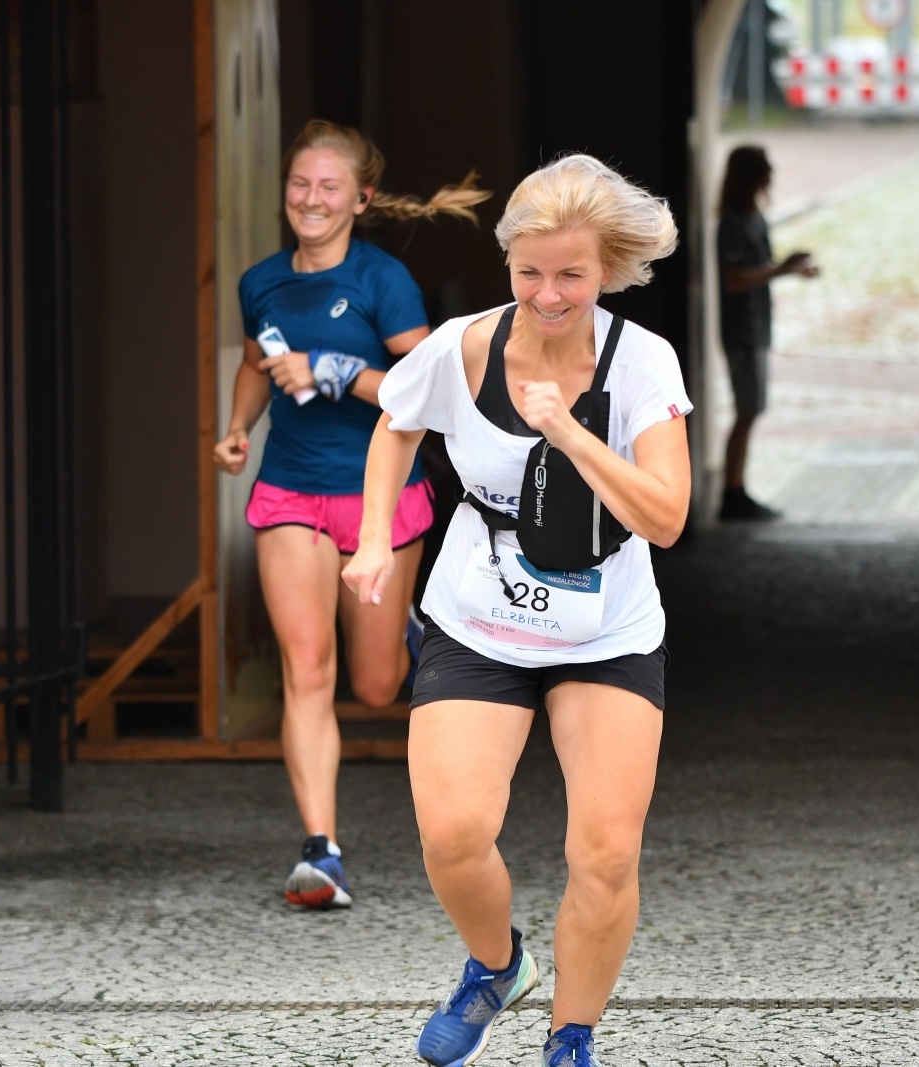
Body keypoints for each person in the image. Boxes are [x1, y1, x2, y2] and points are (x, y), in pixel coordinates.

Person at [342, 155, 691, 1067]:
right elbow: (396, 424)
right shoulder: (462, 346)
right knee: (453, 835)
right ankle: (497, 967)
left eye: (571, 274)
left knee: (605, 852)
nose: (547, 294)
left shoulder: (641, 362)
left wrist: (569, 431)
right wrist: (374, 537)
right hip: (479, 616)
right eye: (529, 271)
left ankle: (571, 1037)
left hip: (605, 628)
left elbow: (666, 517)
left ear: (607, 268)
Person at [212, 119, 489, 910]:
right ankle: (321, 850)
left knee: (373, 687)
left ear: (361, 199)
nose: (311, 198)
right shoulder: (261, 281)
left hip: (378, 498)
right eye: (300, 183)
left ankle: (403, 633)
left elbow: (432, 388)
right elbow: (254, 365)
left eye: (328, 186)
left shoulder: (382, 281)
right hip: (290, 489)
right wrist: (236, 428)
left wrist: (336, 369)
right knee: (306, 670)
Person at [715, 144, 817, 521]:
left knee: (750, 411)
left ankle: (737, 489)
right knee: (747, 411)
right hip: (741, 329)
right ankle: (732, 493)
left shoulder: (753, 217)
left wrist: (788, 268)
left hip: (754, 326)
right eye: (766, 169)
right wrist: (782, 269)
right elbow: (735, 279)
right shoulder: (733, 222)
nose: (771, 175)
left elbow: (756, 269)